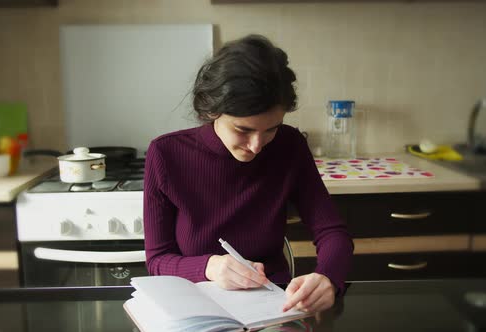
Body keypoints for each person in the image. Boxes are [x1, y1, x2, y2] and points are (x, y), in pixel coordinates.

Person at [144, 34, 353, 314]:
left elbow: (332, 232)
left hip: (274, 303)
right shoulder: (165, 154)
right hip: (195, 306)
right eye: (243, 130)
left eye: (271, 129)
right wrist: (210, 266)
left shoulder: (289, 146)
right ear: (211, 109)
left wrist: (328, 277)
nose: (257, 146)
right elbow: (158, 260)